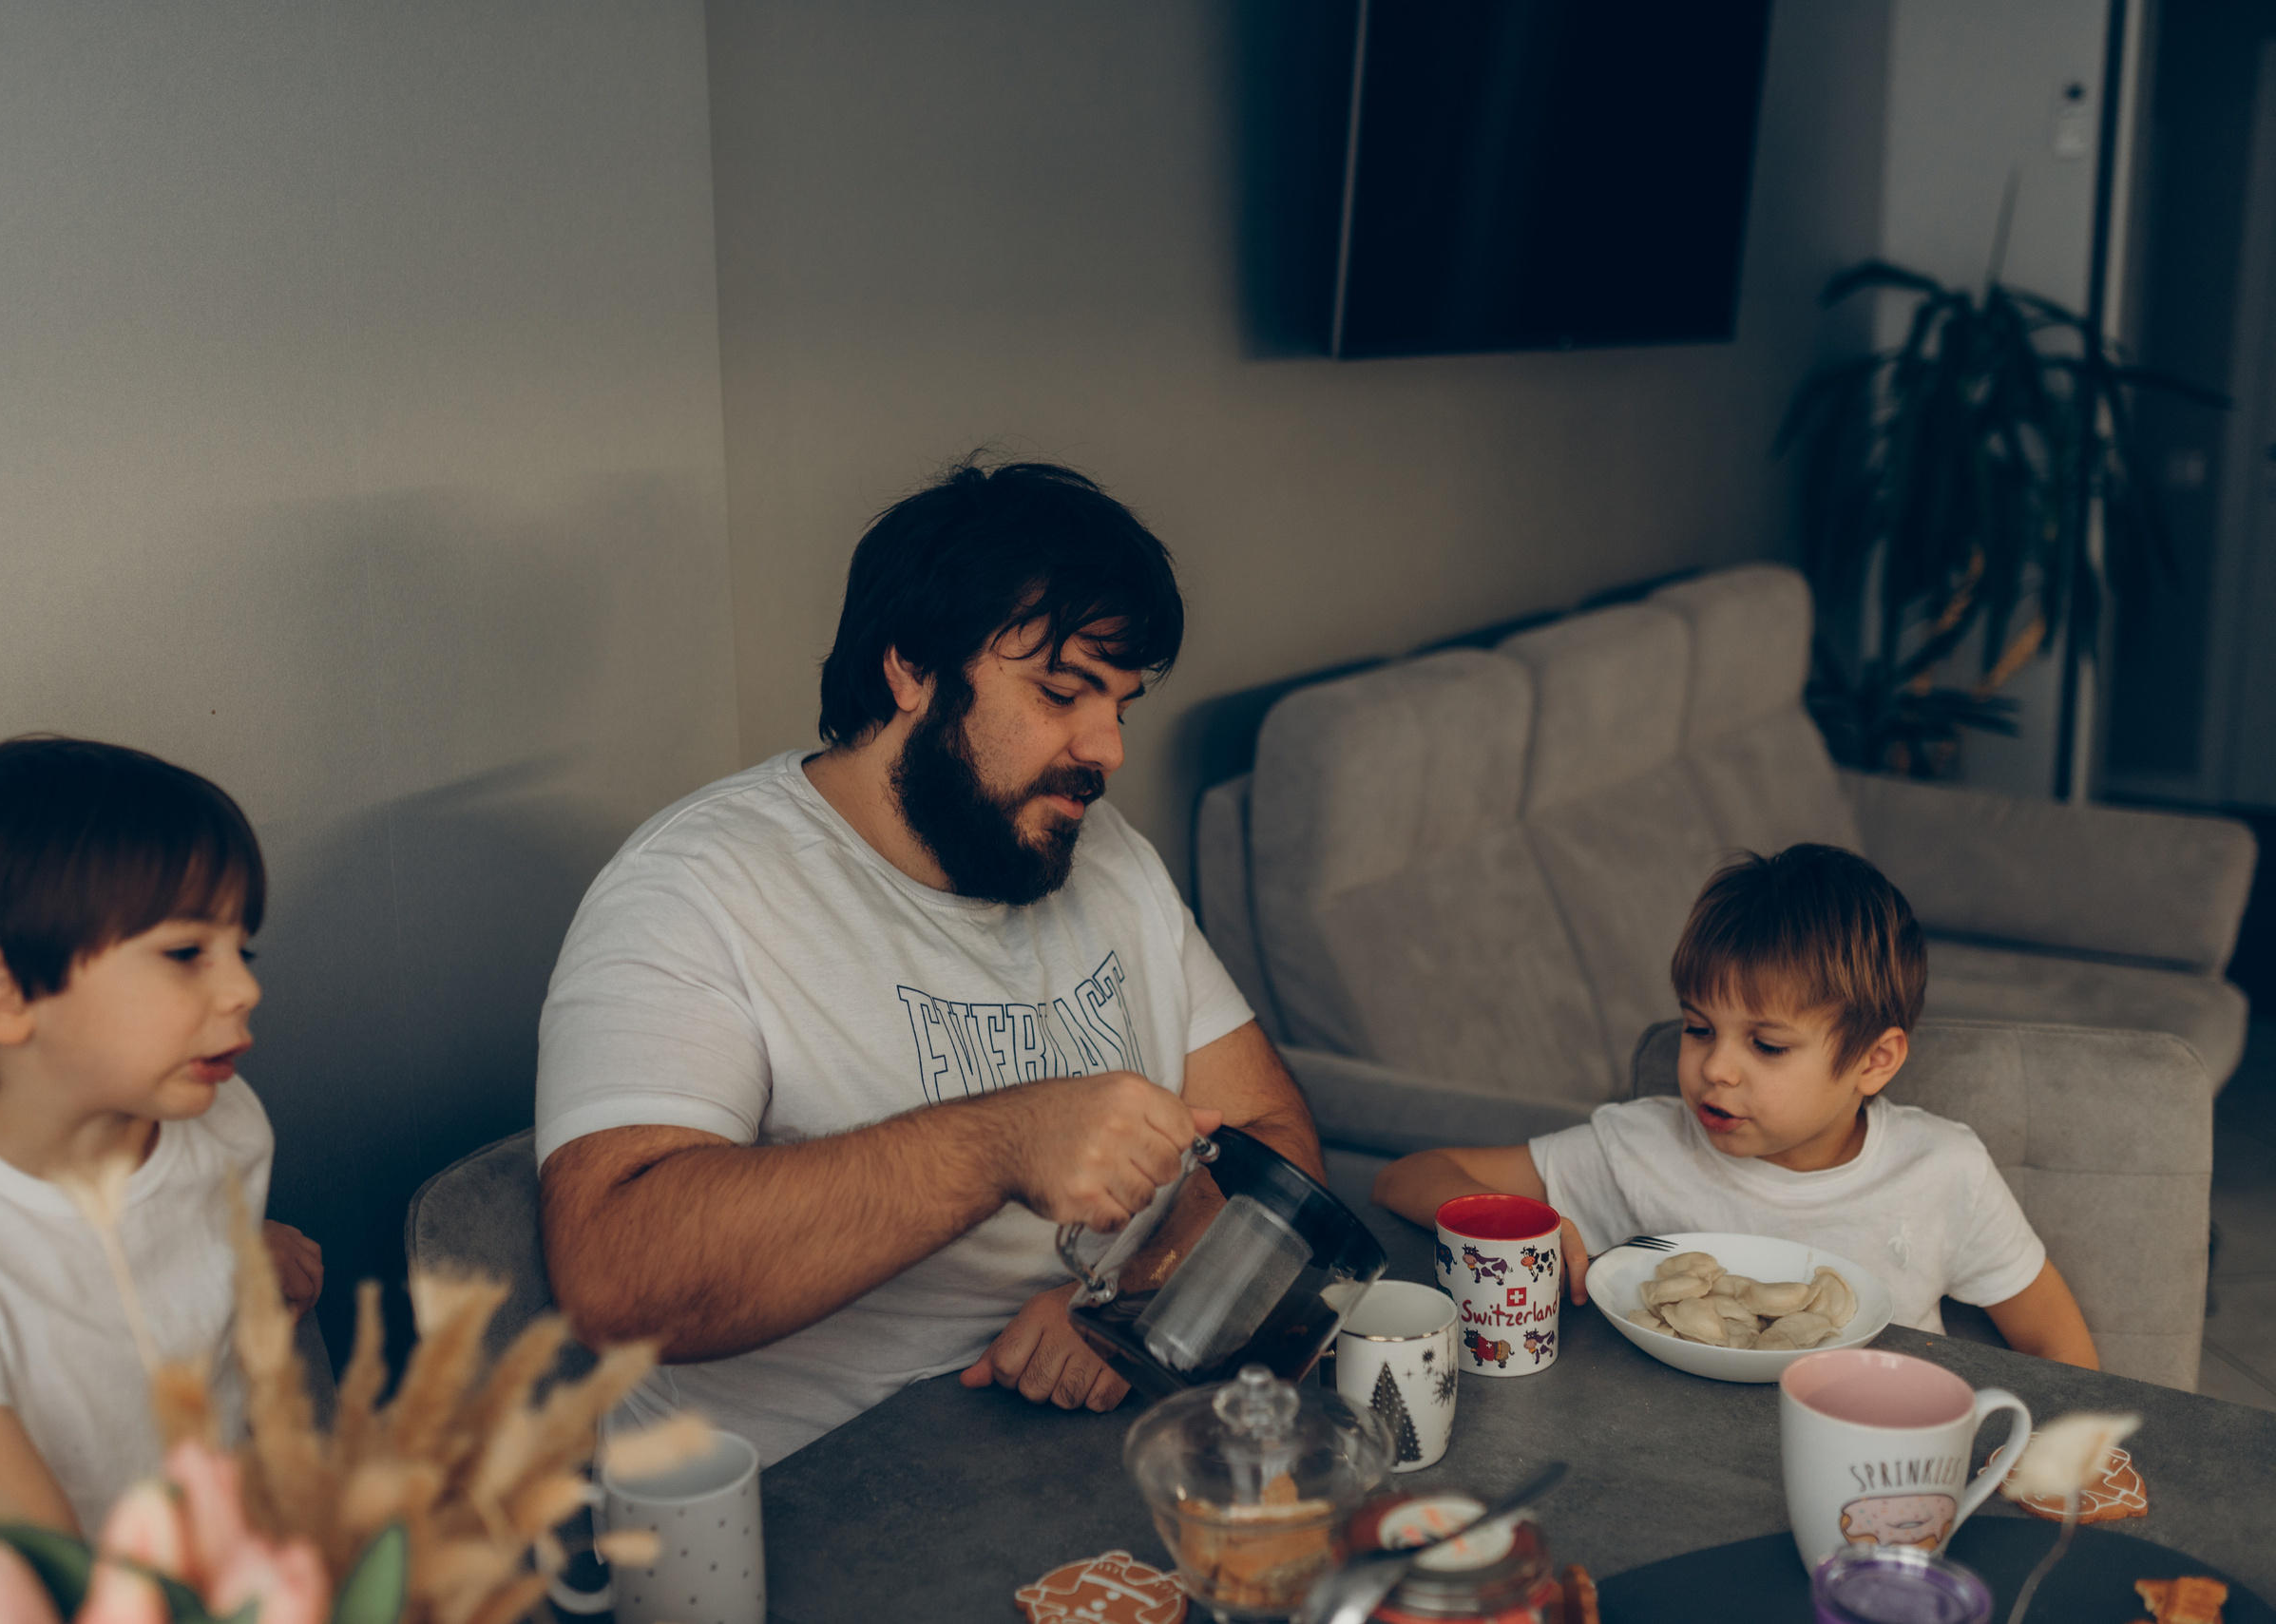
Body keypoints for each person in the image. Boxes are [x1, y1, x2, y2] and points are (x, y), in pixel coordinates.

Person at [536, 458, 1322, 1463]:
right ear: (910, 669)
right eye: (1061, 690)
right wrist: (998, 1142)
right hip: (817, 1505)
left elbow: (1275, 1135)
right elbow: (616, 1276)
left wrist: (1139, 1293)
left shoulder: (1103, 850)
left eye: (1119, 703)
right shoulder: (694, 887)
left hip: (1082, 1451)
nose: (1106, 747)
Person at [0, 738, 321, 1598]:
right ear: (2, 995)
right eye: (186, 953)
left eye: (240, 949)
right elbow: (41, 1574)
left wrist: (244, 1252)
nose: (243, 988)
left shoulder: (227, 1125)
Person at [1372, 844, 2098, 1367]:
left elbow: (2054, 1341)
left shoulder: (1944, 1170)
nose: (1715, 1067)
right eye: (1697, 1028)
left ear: (1874, 1061)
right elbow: (1405, 1177)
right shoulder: (1639, 1146)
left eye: (1768, 1045)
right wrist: (1528, 1226)